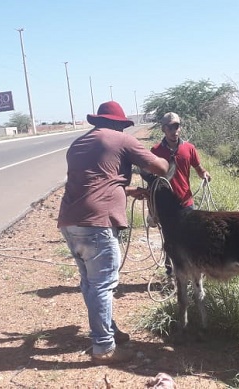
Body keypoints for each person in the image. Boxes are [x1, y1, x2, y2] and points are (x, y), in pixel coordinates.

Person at [57, 101, 169, 365]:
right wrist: (166, 157)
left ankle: (108, 330)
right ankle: (104, 347)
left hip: (71, 222)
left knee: (89, 282)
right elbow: (160, 169)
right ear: (119, 123)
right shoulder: (120, 140)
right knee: (102, 285)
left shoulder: (79, 143)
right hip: (97, 223)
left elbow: (93, 181)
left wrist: (126, 191)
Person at [150, 112, 210, 278]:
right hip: (166, 205)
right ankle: (172, 273)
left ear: (180, 128)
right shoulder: (155, 150)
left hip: (186, 201)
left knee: (190, 237)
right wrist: (152, 207)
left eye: (176, 126)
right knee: (170, 239)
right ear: (163, 129)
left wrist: (204, 174)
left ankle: (194, 271)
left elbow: (199, 169)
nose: (173, 130)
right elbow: (150, 178)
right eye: (170, 127)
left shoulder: (189, 148)